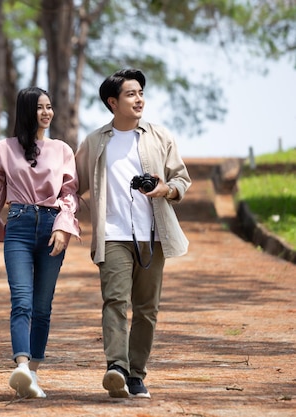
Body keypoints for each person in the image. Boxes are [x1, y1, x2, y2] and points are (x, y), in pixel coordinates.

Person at [75, 69, 191, 399]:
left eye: (141, 93)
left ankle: (136, 375)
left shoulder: (159, 136)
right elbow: (72, 184)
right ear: (113, 102)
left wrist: (166, 189)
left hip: (152, 236)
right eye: (131, 94)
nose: (139, 99)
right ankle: (116, 367)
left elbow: (182, 180)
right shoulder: (96, 141)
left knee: (147, 309)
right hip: (112, 235)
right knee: (114, 300)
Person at [0, 86, 81, 399]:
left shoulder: (62, 149)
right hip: (19, 227)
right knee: (21, 300)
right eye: (40, 108)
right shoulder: (4, 148)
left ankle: (33, 372)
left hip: (51, 226)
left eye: (49, 107)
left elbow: (69, 193)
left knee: (42, 306)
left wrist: (63, 227)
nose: (47, 113)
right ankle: (21, 365)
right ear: (26, 112)